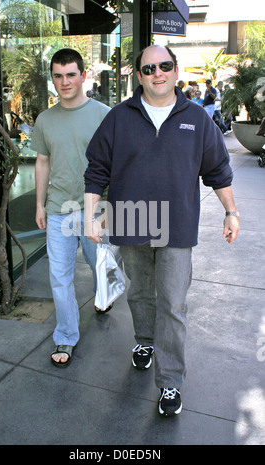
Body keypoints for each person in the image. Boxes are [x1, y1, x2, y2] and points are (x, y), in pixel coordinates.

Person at [84, 45, 239, 417]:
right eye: (149, 67)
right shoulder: (119, 118)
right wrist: (91, 215)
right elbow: (96, 170)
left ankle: (169, 381)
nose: (158, 73)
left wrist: (231, 211)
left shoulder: (197, 119)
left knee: (172, 302)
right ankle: (144, 341)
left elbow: (217, 169)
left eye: (164, 66)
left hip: (177, 226)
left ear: (175, 70)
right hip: (130, 221)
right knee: (140, 294)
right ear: (139, 75)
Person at [30, 48, 110, 368]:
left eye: (71, 75)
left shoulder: (104, 114)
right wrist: (39, 204)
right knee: (59, 276)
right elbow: (42, 161)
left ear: (83, 76)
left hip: (95, 208)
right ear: (52, 79)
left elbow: (117, 162)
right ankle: (66, 335)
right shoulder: (45, 119)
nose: (64, 82)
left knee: (100, 266)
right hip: (59, 208)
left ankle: (105, 296)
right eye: (58, 76)